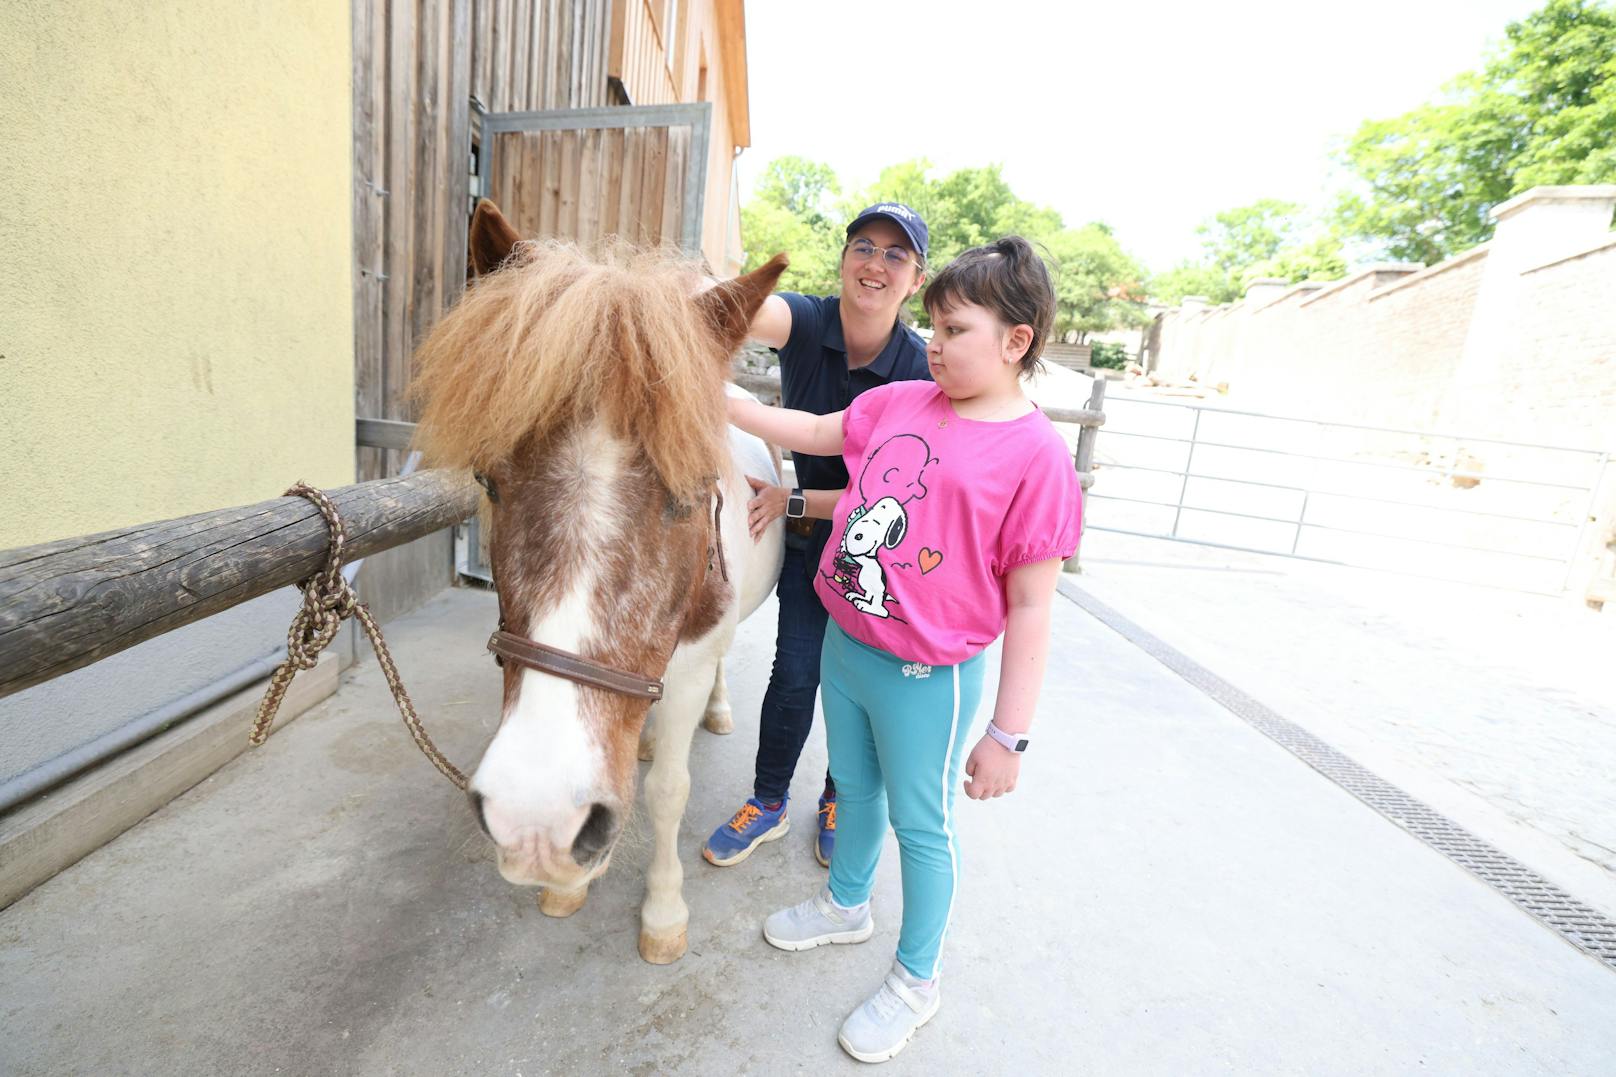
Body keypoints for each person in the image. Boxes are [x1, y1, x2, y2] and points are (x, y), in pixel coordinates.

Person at [724, 237, 1081, 1063]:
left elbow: (1032, 606)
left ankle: (917, 978)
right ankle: (847, 902)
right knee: (852, 784)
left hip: (929, 675)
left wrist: (1008, 733)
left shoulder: (1036, 456)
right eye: (934, 325)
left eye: (955, 328)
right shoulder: (906, 401)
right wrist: (723, 404)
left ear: (1015, 340)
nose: (934, 342)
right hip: (849, 644)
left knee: (923, 825)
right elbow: (815, 426)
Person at [702, 203, 933, 870]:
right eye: (864, 246)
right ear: (843, 261)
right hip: (809, 536)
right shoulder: (807, 319)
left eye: (896, 255)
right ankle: (769, 799)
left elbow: (884, 495)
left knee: (853, 685)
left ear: (915, 279)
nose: (876, 263)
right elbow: (745, 313)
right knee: (795, 670)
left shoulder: (919, 369)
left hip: (872, 547)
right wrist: (696, 300)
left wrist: (793, 496)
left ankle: (837, 795)